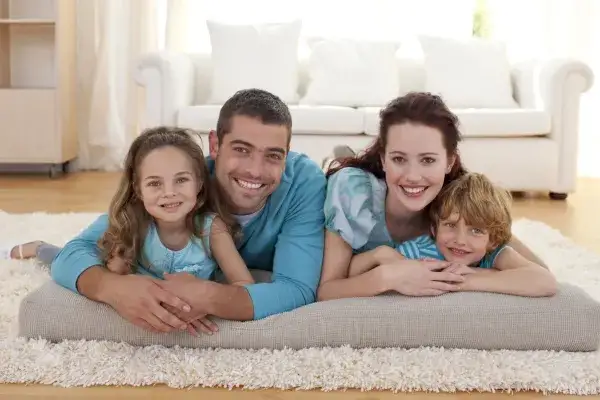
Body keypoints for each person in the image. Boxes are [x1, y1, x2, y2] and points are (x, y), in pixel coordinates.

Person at [5, 88, 327, 334]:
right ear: (215, 145)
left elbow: (297, 288)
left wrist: (210, 297)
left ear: (287, 153)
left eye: (273, 155)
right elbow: (78, 251)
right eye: (241, 150)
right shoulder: (177, 184)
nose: (256, 171)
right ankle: (36, 247)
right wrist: (112, 288)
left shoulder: (302, 183)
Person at [317, 91, 549, 301]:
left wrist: (467, 278)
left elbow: (541, 272)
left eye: (428, 160)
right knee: (338, 166)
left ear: (449, 162)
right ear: (382, 159)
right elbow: (327, 290)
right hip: (360, 180)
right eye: (398, 158)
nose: (413, 176)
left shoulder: (455, 202)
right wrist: (387, 274)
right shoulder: (353, 192)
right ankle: (340, 157)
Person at [346, 172, 557, 297]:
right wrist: (379, 254)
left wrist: (467, 280)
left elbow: (545, 281)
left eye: (476, 230)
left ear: (492, 239)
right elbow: (351, 272)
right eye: (450, 225)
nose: (460, 240)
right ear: (433, 229)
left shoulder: (496, 255)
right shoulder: (420, 250)